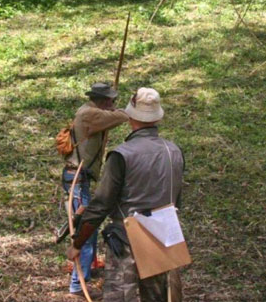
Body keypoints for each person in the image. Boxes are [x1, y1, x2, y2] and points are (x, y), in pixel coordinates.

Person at [67, 87, 185, 302]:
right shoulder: (174, 150)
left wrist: (77, 243)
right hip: (163, 235)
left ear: (131, 116)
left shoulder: (122, 155)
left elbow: (101, 204)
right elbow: (176, 199)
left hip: (127, 237)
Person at [63, 82, 129, 298]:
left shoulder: (92, 112)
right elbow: (122, 117)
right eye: (110, 100)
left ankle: (85, 269)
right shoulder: (90, 114)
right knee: (85, 230)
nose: (113, 103)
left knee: (85, 224)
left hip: (79, 176)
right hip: (77, 178)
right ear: (102, 100)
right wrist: (120, 110)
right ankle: (77, 284)